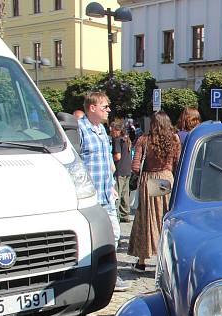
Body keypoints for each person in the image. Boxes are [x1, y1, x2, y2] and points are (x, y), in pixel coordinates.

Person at [77, 91, 130, 292]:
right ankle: (88, 276)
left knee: (114, 233)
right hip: (89, 196)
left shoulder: (101, 130)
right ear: (92, 108)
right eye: (104, 106)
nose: (108, 110)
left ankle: (110, 276)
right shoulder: (80, 130)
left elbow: (108, 161)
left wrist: (112, 187)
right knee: (90, 238)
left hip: (106, 194)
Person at [128, 112, 180, 272]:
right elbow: (178, 162)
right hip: (166, 178)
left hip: (149, 179)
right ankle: (166, 260)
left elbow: (135, 166)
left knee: (147, 219)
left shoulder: (144, 140)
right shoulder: (174, 139)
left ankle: (142, 261)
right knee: (165, 218)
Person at [110, 119, 133, 223]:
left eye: (112, 130)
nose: (111, 133)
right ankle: (125, 214)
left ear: (116, 130)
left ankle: (116, 215)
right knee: (125, 193)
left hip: (119, 169)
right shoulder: (126, 139)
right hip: (127, 169)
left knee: (117, 193)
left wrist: (110, 158)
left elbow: (117, 156)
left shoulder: (117, 140)